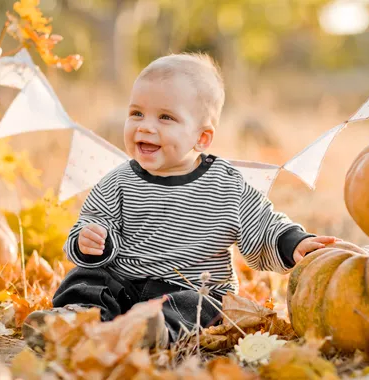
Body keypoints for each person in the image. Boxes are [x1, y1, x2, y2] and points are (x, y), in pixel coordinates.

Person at [22, 52, 337, 351]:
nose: (145, 126)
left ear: (201, 138)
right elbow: (92, 223)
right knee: (87, 279)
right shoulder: (118, 181)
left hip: (188, 289)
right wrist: (90, 242)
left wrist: (291, 242)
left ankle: (155, 331)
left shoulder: (225, 185)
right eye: (136, 113)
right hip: (127, 282)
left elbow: (264, 223)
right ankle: (77, 319)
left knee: (206, 305)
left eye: (165, 117)